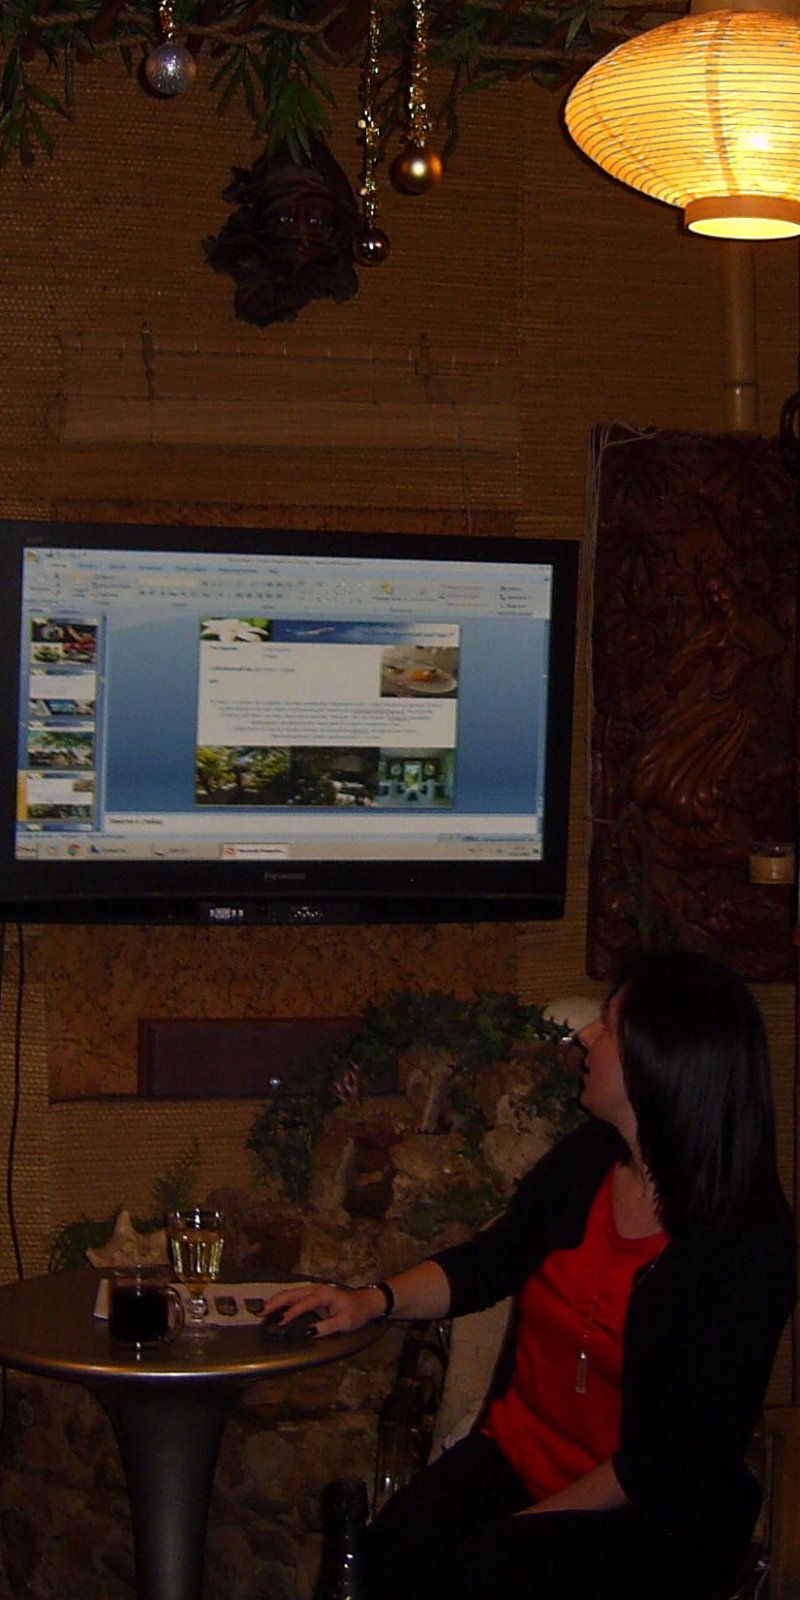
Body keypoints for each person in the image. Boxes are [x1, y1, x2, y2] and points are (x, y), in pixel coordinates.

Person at [263, 950, 797, 1600]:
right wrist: (372, 1300)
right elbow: (493, 1261)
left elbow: (676, 1455)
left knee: (487, 1572)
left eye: (609, 1026)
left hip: (653, 1513)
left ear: (664, 1064)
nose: (585, 1036)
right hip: (517, 1456)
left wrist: (521, 1528)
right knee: (396, 1549)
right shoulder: (588, 1160)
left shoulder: (747, 1245)